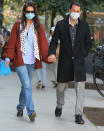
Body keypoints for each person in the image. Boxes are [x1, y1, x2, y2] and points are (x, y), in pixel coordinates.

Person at [3, 2, 49, 122]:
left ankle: (20, 107)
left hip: (32, 61)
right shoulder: (18, 25)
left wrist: (48, 56)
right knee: (28, 85)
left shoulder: (38, 27)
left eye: (31, 12)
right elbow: (12, 42)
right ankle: (31, 111)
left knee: (25, 86)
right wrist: (8, 57)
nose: (29, 14)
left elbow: (43, 44)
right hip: (20, 61)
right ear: (24, 12)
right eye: (27, 11)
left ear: (35, 13)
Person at [48, 1, 92, 124]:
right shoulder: (61, 25)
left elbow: (88, 43)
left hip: (79, 62)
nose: (75, 13)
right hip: (65, 60)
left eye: (78, 11)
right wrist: (51, 53)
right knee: (61, 87)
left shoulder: (84, 26)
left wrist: (83, 53)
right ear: (69, 10)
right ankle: (59, 105)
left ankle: (78, 114)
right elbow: (54, 41)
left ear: (80, 12)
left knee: (80, 88)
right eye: (74, 10)